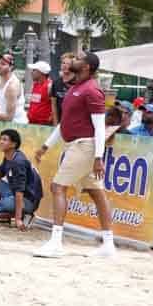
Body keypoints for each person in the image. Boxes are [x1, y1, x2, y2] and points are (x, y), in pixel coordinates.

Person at [32, 51, 116, 258]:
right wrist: (46, 146)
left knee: (58, 186)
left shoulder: (92, 91)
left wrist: (98, 157)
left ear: (87, 67)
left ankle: (56, 242)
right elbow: (65, 123)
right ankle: (108, 244)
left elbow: (99, 127)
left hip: (84, 146)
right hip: (79, 145)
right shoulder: (76, 88)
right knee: (97, 193)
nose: (73, 61)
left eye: (78, 59)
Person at [0, 129, 42, 229]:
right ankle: (5, 218)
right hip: (15, 194)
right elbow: (0, 170)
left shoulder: (18, 162)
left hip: (28, 200)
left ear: (13, 144)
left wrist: (17, 220)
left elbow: (20, 192)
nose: (1, 142)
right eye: (0, 139)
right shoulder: (10, 156)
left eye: (5, 140)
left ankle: (25, 215)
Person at [26, 61, 53, 125]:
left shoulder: (49, 86)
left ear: (41, 72)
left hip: (44, 125)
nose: (31, 72)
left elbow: (55, 105)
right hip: (31, 123)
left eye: (34, 70)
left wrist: (51, 119)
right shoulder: (35, 85)